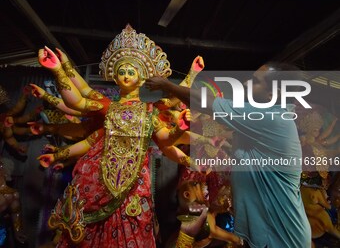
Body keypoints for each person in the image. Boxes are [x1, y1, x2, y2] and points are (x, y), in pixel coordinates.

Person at [35, 25, 200, 248]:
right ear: (114, 75)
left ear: (141, 77)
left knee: (133, 225)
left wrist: (180, 126)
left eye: (131, 71)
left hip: (134, 186)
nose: (125, 75)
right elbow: (79, 102)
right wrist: (58, 69)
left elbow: (167, 139)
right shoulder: (108, 108)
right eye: (121, 71)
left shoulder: (150, 111)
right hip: (97, 180)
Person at [145, 62, 312, 247]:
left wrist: (167, 85)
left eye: (255, 81)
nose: (247, 83)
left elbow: (205, 103)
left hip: (284, 237)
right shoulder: (262, 118)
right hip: (268, 233)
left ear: (273, 94)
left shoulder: (271, 119)